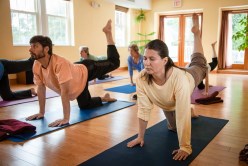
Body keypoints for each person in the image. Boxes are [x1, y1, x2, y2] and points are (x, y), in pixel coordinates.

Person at [127, 13, 208, 161]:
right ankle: (192, 111)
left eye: (152, 59)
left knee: (198, 62)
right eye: (145, 58)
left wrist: (185, 146)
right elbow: (144, 108)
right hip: (168, 101)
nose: (147, 63)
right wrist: (140, 137)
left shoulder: (180, 80)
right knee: (173, 128)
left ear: (164, 60)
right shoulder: (142, 78)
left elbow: (182, 113)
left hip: (189, 76)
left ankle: (196, 33)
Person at [26, 19, 120, 127]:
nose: (30, 49)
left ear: (46, 49)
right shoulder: (36, 65)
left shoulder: (60, 63)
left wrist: (66, 118)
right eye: (30, 46)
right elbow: (41, 88)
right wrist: (41, 112)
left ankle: (108, 33)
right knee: (85, 105)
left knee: (114, 63)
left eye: (35, 46)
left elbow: (64, 92)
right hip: (76, 79)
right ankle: (104, 98)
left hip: (87, 68)